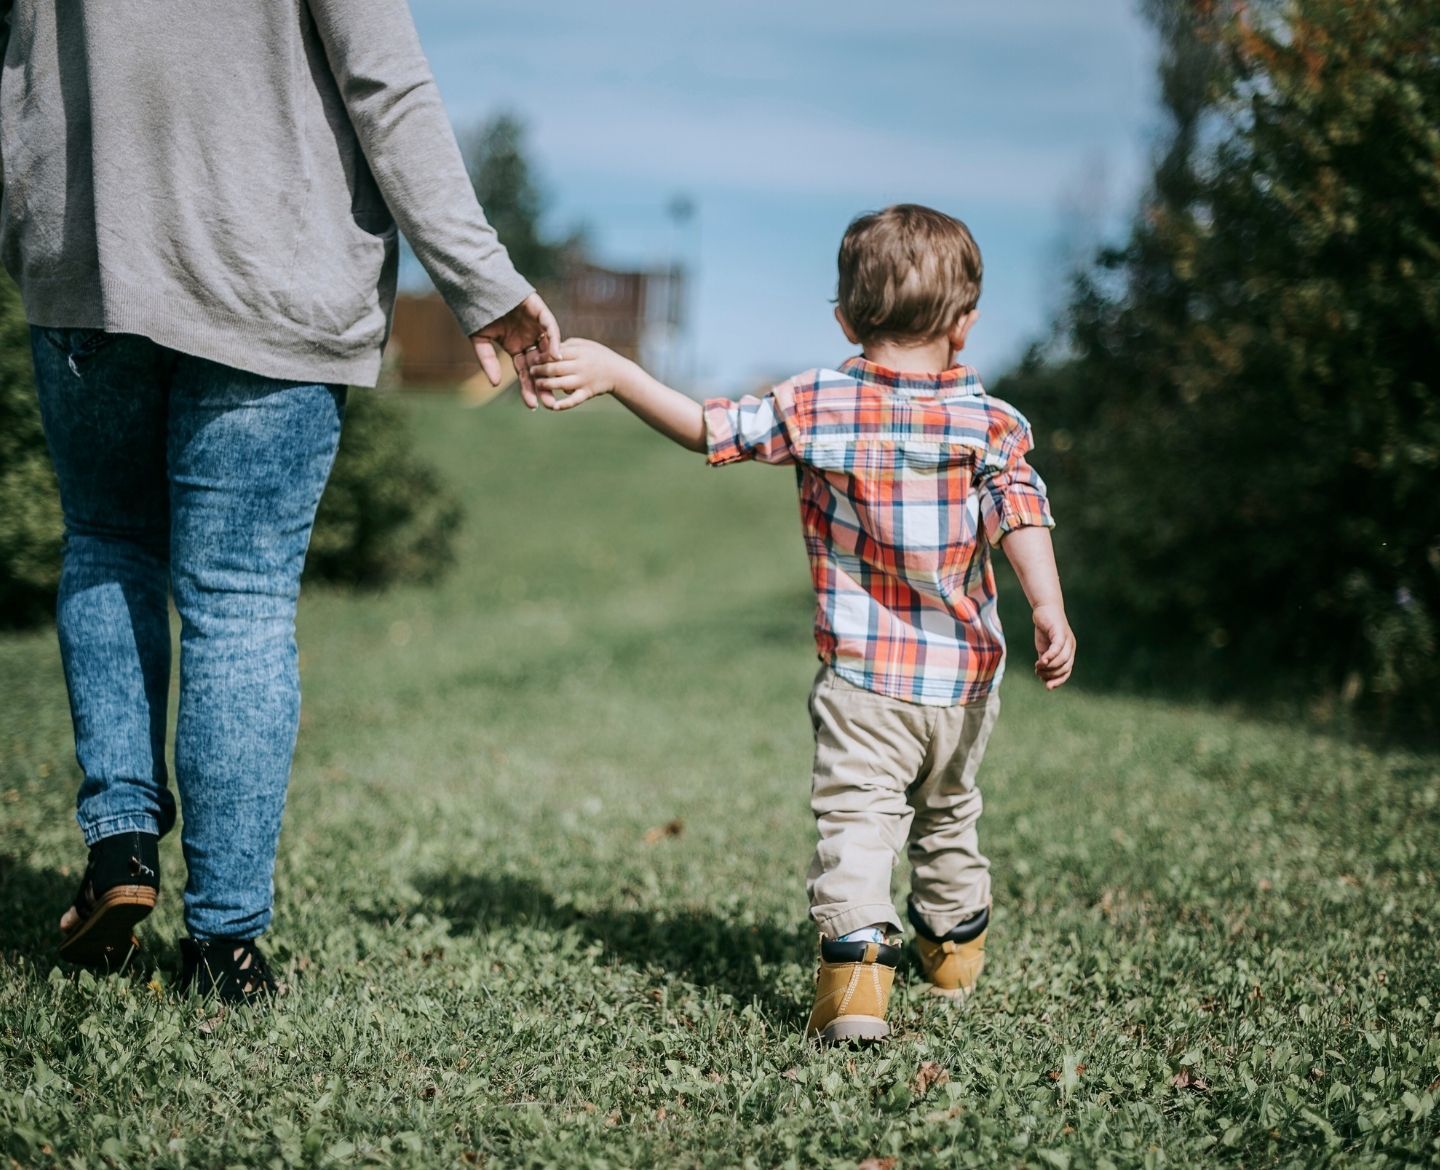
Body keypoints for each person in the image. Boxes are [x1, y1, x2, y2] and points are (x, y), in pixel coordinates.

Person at [0, 1, 561, 1002]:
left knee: (108, 544)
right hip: (269, 266)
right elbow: (385, 83)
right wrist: (482, 280)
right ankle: (224, 949)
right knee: (240, 602)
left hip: (87, 246)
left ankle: (121, 846)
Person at [523, 204, 1076, 1042]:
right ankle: (955, 953)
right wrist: (1048, 607)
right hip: (964, 685)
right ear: (964, 329)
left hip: (863, 683)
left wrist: (618, 373)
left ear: (846, 320)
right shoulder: (988, 422)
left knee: (860, 819)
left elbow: (711, 430)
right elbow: (1019, 513)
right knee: (950, 812)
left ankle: (857, 987)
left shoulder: (817, 402)